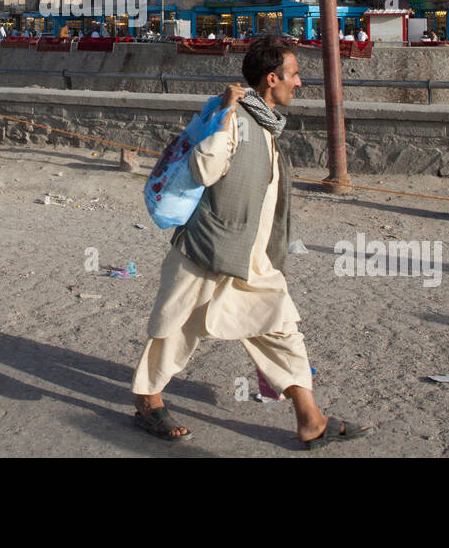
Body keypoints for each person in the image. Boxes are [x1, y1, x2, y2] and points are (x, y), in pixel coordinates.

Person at [130, 35, 367, 447]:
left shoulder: (264, 123)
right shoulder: (238, 119)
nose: (299, 83)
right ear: (272, 78)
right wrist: (224, 116)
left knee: (281, 325)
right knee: (175, 325)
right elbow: (204, 169)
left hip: (252, 258)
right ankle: (148, 400)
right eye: (294, 75)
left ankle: (310, 418)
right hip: (209, 248)